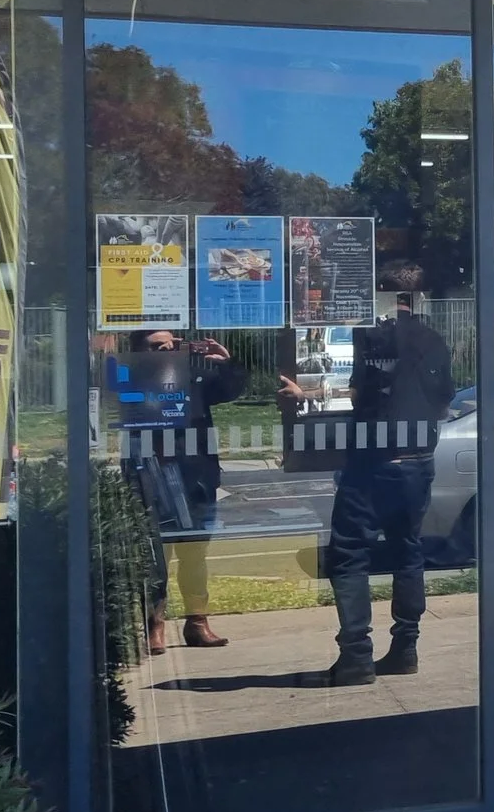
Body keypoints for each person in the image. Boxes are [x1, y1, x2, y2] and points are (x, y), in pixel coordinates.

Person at [284, 262, 453, 686]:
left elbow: (358, 394)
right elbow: (444, 399)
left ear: (384, 296)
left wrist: (308, 394)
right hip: (418, 461)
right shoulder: (434, 339)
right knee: (407, 550)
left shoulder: (371, 336)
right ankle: (406, 648)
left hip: (373, 461)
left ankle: (356, 653)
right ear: (418, 297)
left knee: (349, 553)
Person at [124, 328, 244, 653]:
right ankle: (155, 624)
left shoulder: (193, 376)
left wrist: (226, 363)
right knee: (155, 555)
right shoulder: (130, 377)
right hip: (150, 474)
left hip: (196, 475)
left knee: (195, 552)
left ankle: (197, 622)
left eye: (171, 343)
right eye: (156, 346)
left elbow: (230, 390)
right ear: (138, 351)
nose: (166, 349)